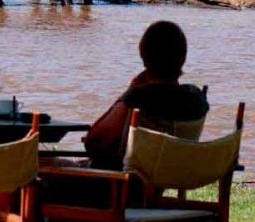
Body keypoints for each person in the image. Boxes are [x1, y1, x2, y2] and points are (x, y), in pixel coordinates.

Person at [84, 20, 209, 169]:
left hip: (120, 184)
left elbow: (93, 143)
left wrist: (127, 93)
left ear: (143, 57)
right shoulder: (197, 99)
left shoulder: (139, 98)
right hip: (168, 177)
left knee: (50, 168)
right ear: (183, 58)